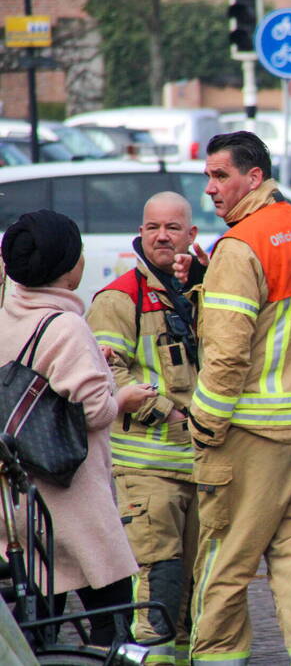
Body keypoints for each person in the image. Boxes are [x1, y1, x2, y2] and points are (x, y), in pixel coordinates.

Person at [181, 132, 291, 664]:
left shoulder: (240, 246)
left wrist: (204, 424)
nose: (209, 188)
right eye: (208, 176)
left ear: (254, 177)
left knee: (226, 562)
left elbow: (228, 356)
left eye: (220, 175)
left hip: (255, 433)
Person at [0, 209, 155, 646]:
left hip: (19, 498)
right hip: (71, 501)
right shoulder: (65, 326)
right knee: (112, 624)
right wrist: (120, 397)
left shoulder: (7, 315)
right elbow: (93, 412)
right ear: (67, 268)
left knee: (36, 621)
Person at [86, 191, 204, 665]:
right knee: (160, 580)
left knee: (201, 587)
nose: (161, 236)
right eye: (152, 227)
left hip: (203, 464)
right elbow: (104, 373)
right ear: (140, 231)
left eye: (172, 228)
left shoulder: (206, 290)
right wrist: (165, 412)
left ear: (191, 235)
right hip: (146, 466)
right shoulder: (120, 298)